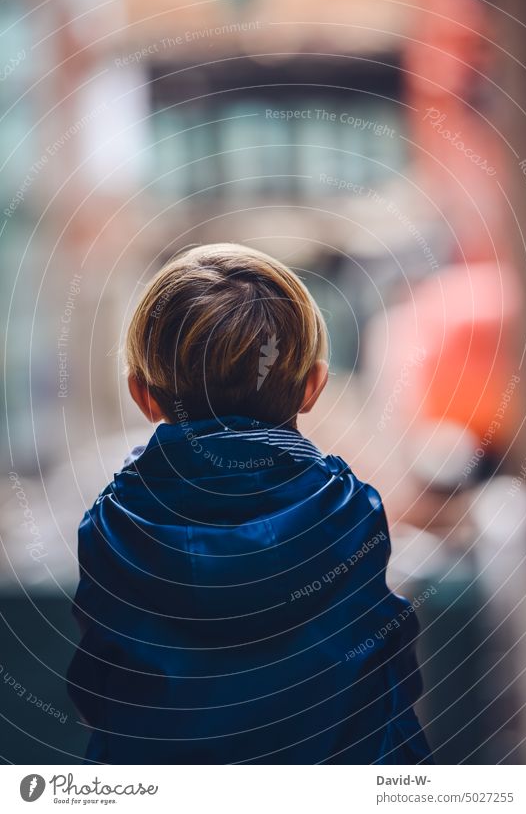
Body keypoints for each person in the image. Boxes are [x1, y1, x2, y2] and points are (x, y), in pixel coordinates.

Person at [67, 243, 432, 764]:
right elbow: (391, 670)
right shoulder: (350, 510)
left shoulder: (112, 526)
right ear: (313, 386)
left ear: (142, 395)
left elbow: (98, 691)